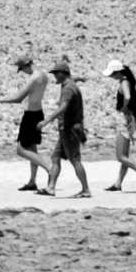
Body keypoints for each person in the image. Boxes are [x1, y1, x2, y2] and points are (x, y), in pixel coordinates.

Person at [0, 56, 53, 193]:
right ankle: (32, 181)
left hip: (31, 115)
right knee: (32, 149)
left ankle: (49, 168)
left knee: (21, 150)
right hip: (39, 112)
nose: (23, 72)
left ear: (26, 65)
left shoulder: (33, 78)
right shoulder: (43, 76)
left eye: (22, 69)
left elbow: (18, 98)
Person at [103, 59, 136, 192]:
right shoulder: (128, 81)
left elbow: (128, 97)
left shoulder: (124, 83)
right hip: (130, 121)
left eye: (113, 74)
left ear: (118, 72)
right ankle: (118, 183)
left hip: (125, 121)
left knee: (121, 157)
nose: (111, 77)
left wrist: (124, 108)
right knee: (125, 155)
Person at [47, 58, 90, 196]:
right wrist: (80, 78)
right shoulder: (70, 84)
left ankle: (86, 189)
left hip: (70, 129)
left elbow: (64, 107)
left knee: (75, 160)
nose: (54, 76)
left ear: (62, 73)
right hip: (66, 129)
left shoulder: (68, 89)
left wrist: (47, 120)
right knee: (55, 157)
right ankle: (51, 187)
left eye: (56, 73)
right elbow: (72, 79)